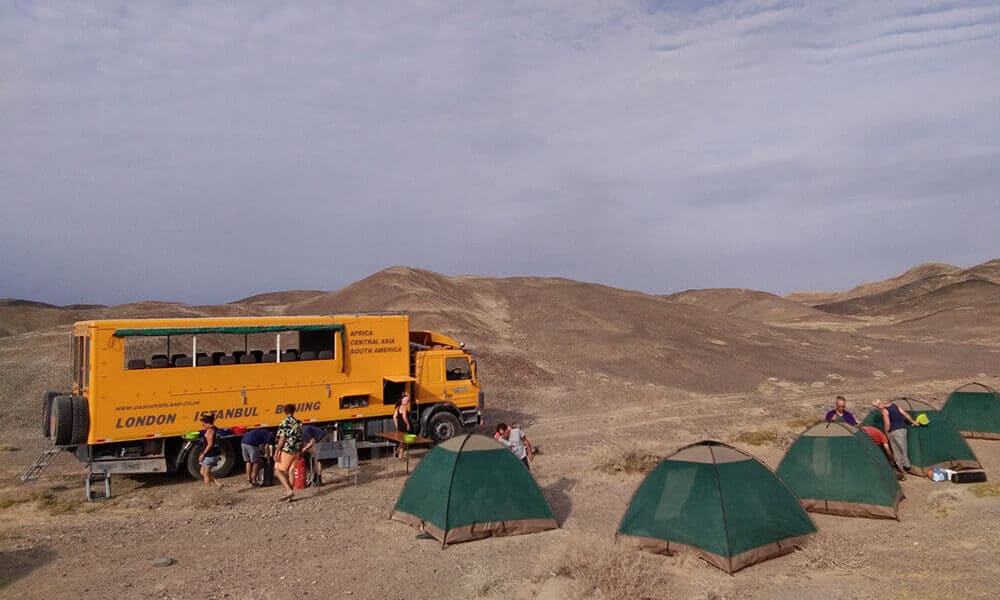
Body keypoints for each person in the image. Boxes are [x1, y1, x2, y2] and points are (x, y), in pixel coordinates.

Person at [875, 399, 921, 475]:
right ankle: (907, 465)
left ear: (880, 404)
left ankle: (902, 469)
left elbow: (887, 424)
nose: (878, 408)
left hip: (893, 431)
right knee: (903, 448)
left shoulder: (884, 410)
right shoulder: (895, 405)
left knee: (896, 450)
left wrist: (886, 432)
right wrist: (913, 421)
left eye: (877, 406)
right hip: (903, 429)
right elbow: (905, 414)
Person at [273, 403, 304, 501]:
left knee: (277, 471)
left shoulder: (284, 423)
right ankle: (289, 495)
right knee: (291, 470)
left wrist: (277, 450)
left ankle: (288, 490)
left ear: (285, 411)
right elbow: (301, 437)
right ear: (294, 411)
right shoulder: (299, 423)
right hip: (296, 450)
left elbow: (282, 438)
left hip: (287, 450)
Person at [198, 414, 224, 489]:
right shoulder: (216, 429)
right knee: (202, 472)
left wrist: (203, 454)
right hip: (214, 453)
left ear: (208, 423)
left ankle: (208, 491)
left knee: (206, 474)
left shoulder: (210, 431)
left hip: (211, 454)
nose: (203, 426)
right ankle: (218, 484)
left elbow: (210, 444)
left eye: (203, 424)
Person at [393, 393, 413, 459]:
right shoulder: (404, 407)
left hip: (400, 425)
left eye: (408, 400)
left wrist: (397, 426)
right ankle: (400, 456)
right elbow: (404, 417)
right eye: (406, 400)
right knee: (405, 441)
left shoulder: (398, 407)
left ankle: (397, 453)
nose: (407, 401)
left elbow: (394, 417)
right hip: (404, 425)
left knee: (402, 440)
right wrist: (408, 424)